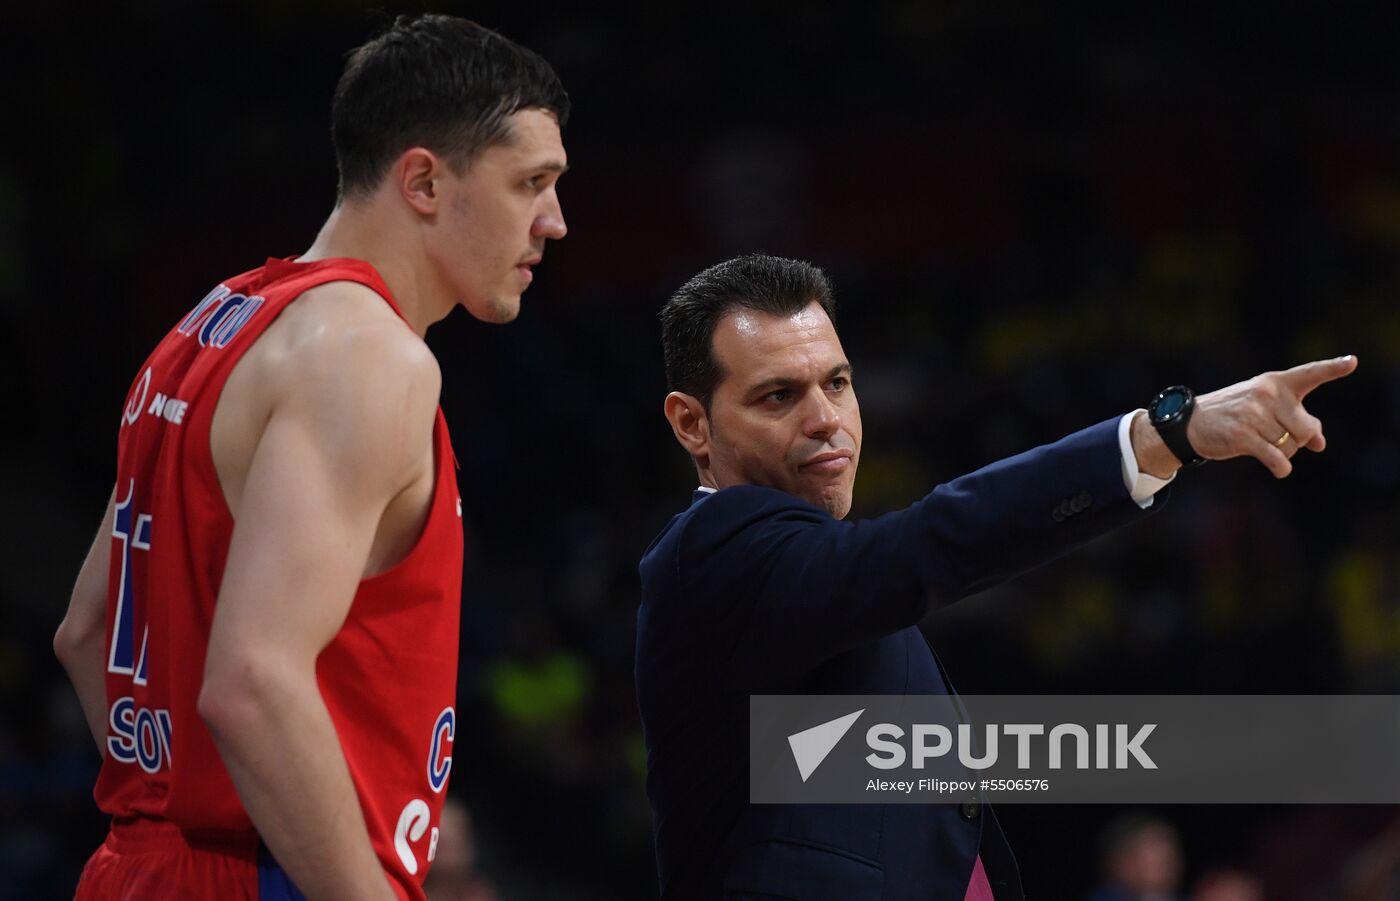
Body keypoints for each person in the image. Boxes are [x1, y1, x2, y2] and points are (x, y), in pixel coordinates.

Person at [635, 254, 1357, 900]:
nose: (827, 419)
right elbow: (929, 543)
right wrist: (1161, 437)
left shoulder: (808, 575)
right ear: (692, 424)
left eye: (839, 382)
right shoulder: (715, 551)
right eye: (777, 396)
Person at [52, 15, 569, 901]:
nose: (554, 221)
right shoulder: (370, 358)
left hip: (141, 861)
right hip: (262, 874)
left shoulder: (214, 322)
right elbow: (251, 681)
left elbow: (86, 630)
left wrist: (179, 818)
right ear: (423, 180)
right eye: (532, 183)